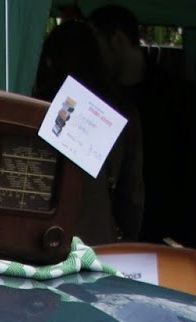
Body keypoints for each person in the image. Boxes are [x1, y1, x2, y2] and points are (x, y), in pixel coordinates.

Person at [88, 5, 196, 249]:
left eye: (98, 47)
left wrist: (185, 246)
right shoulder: (97, 105)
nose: (94, 58)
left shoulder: (184, 100)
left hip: (164, 244)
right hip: (106, 249)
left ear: (117, 41)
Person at [33, 15, 144, 246]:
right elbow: (132, 196)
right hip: (98, 241)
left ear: (49, 61)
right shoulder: (120, 112)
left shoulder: (35, 108)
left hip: (40, 237)